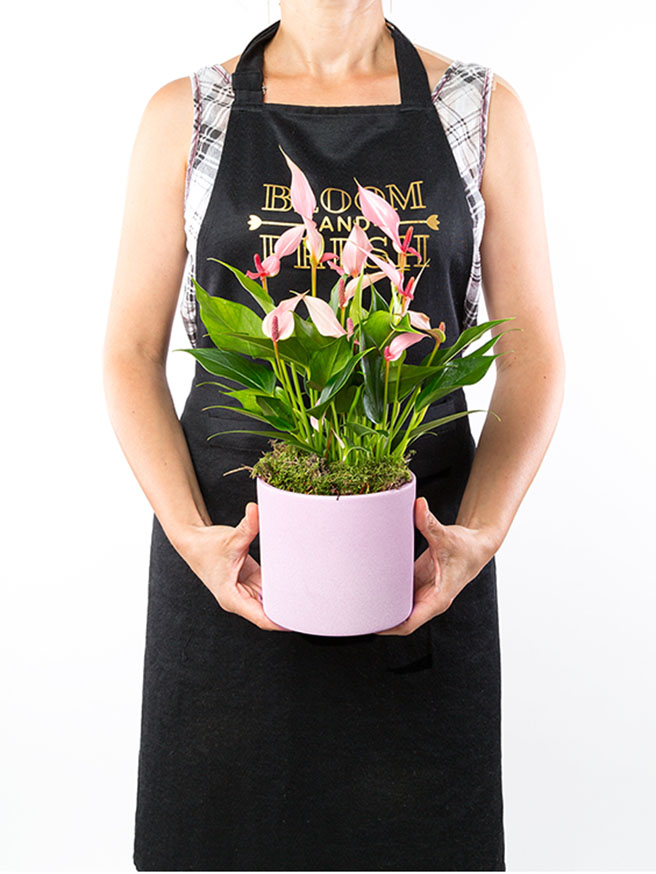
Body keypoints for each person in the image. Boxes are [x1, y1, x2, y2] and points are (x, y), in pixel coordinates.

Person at [103, 0, 565, 869]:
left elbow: (532, 355)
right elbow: (129, 354)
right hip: (229, 568)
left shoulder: (479, 110)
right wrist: (192, 536)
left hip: (422, 574)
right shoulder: (188, 114)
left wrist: (480, 535)